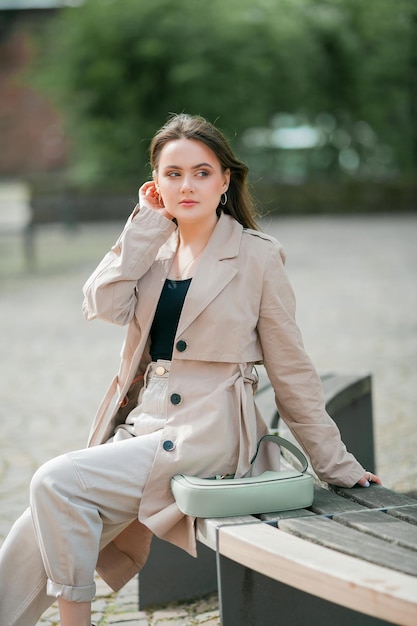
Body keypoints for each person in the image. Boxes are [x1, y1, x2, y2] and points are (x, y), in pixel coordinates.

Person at [0, 113, 381, 626]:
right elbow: (102, 302)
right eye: (172, 173)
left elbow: (292, 372)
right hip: (144, 426)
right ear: (154, 183)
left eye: (202, 172)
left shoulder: (256, 258)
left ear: (225, 180)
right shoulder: (153, 250)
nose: (187, 185)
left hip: (210, 432)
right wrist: (144, 225)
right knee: (33, 527)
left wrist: (337, 465)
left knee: (54, 482)